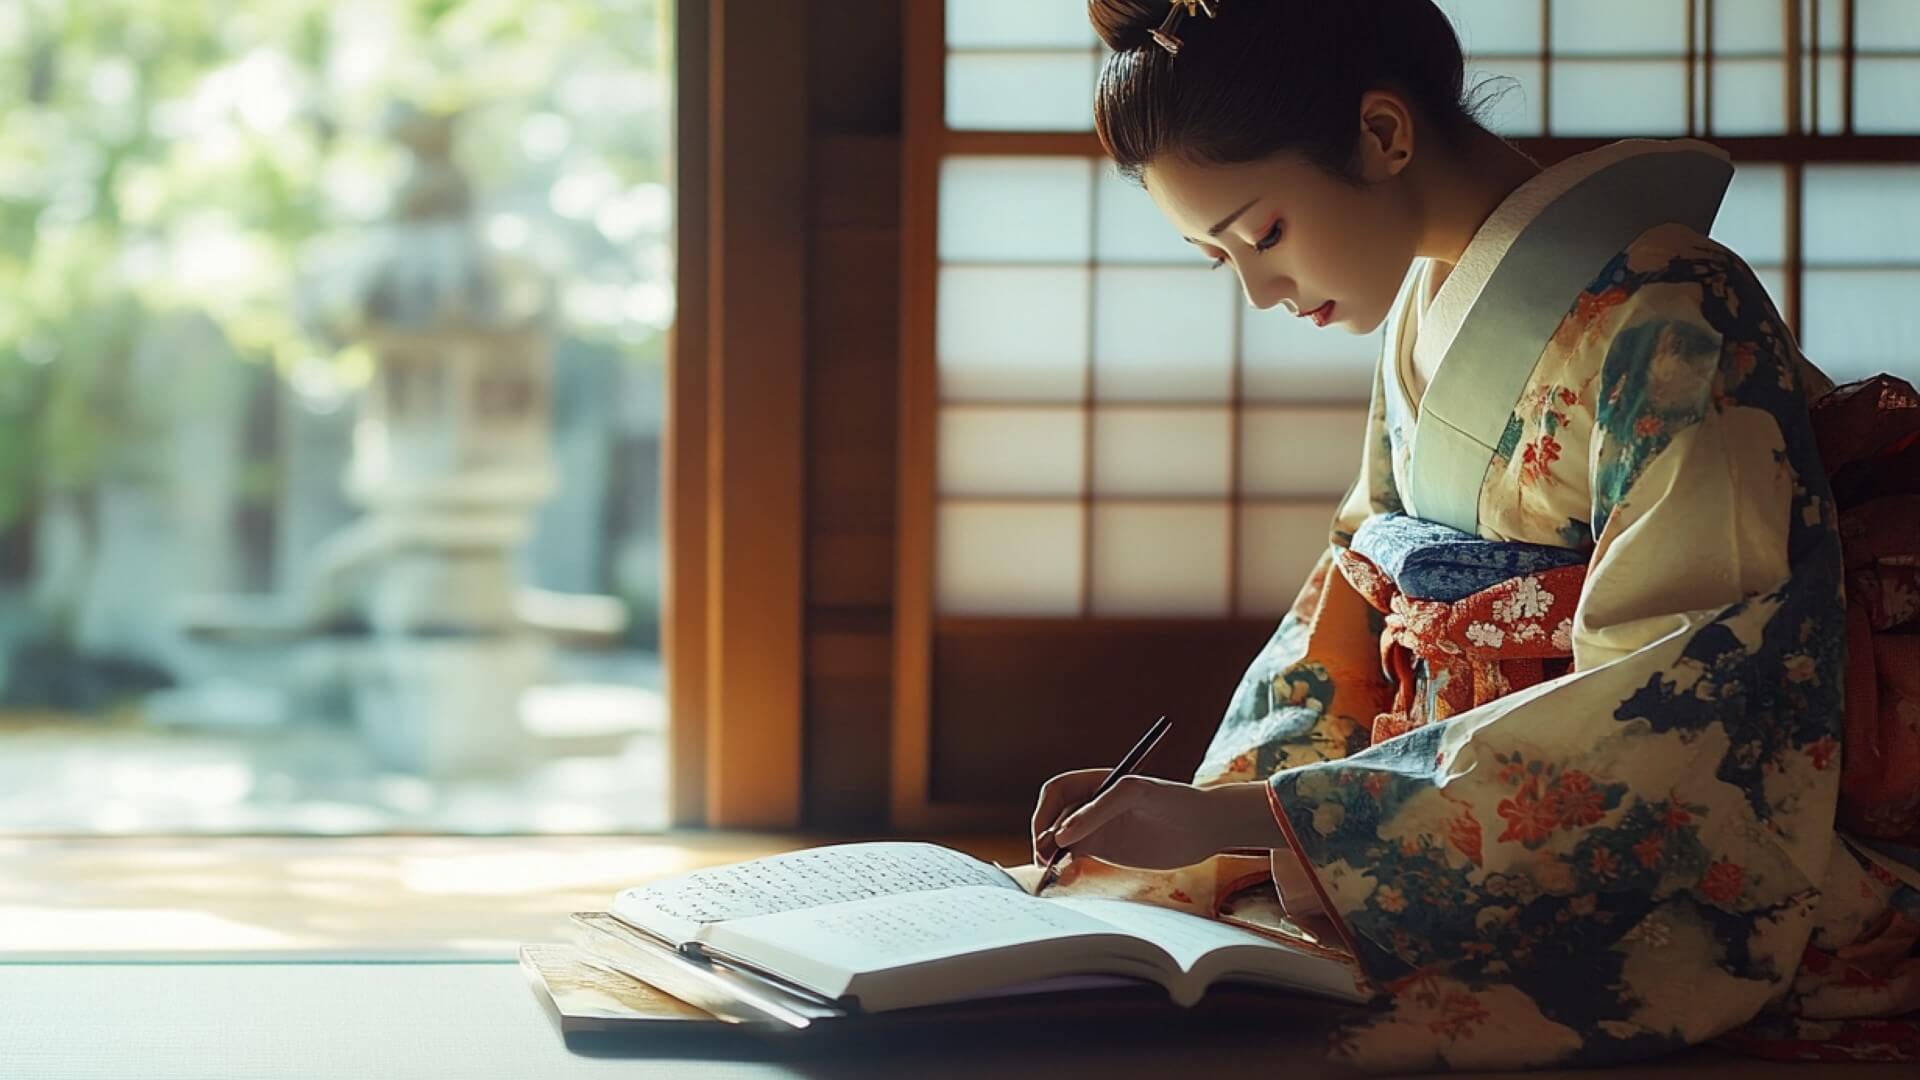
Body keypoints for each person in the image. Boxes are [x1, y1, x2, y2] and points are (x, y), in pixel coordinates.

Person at [1030, 0, 1920, 1070]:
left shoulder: (1679, 310)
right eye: (1220, 259)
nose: (1261, 290)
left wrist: (1269, 822)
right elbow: (1351, 601)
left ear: (1383, 134)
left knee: (1308, 1034)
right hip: (1437, 817)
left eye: (1262, 233)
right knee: (1140, 951)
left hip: (1653, 838)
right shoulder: (1419, 313)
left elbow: (1687, 697)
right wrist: (1212, 814)